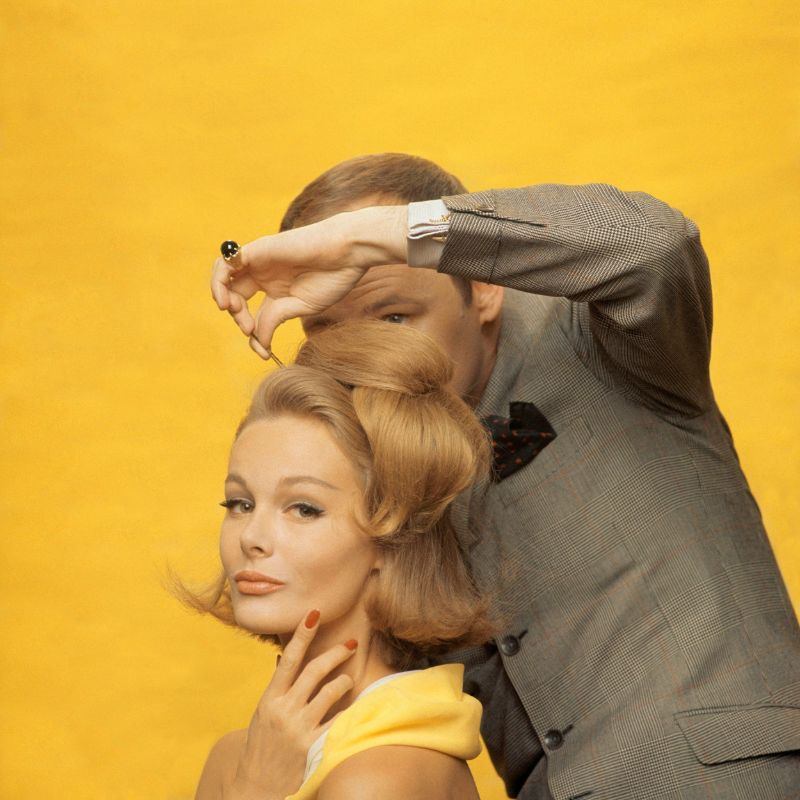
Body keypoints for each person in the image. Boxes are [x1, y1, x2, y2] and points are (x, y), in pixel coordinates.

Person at [208, 153, 800, 799]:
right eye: (328, 335)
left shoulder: (607, 344)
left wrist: (369, 237)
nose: (369, 363)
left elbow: (658, 247)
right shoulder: (367, 476)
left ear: (483, 289)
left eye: (393, 318)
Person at [167, 319, 505, 799]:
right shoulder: (240, 756)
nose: (253, 538)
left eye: (304, 508)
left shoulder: (378, 777)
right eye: (240, 504)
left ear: (390, 541)